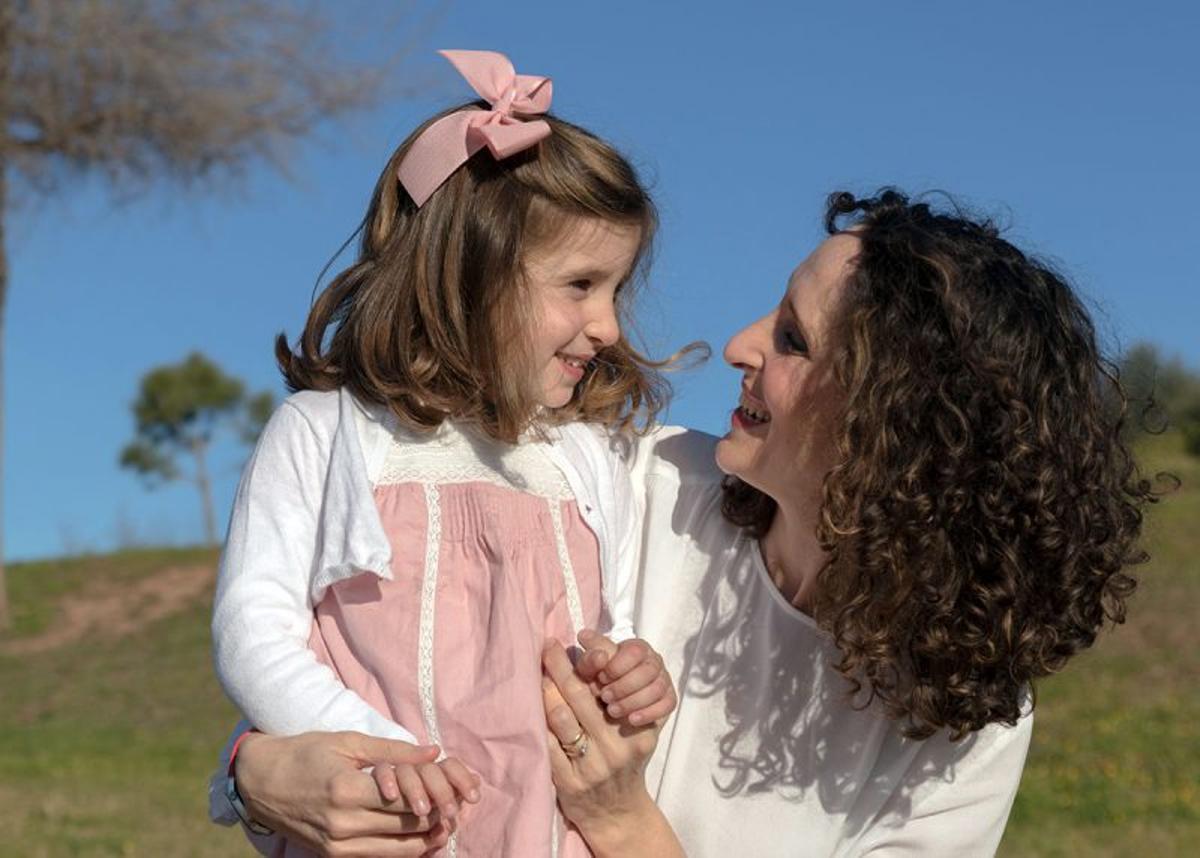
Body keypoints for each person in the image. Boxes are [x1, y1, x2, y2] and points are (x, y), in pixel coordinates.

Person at [221, 189, 1156, 857]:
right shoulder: (633, 483)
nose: (742, 344)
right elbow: (379, 653)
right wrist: (254, 775)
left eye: (792, 339)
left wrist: (624, 826)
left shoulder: (968, 719)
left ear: (895, 424)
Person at [209, 50, 679, 858]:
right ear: (472, 274)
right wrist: (376, 752)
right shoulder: (327, 432)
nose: (608, 326)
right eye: (580, 286)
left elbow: (612, 619)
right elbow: (253, 627)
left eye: (616, 291)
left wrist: (630, 671)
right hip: (385, 825)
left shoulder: (580, 456)